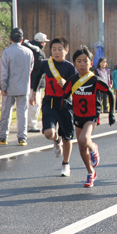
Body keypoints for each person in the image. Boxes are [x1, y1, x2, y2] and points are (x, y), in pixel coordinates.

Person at [62, 46, 116, 187]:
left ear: (91, 64)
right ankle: (91, 173)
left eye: (85, 61)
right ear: (74, 64)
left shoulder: (95, 80)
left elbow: (110, 92)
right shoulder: (72, 80)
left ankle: (94, 148)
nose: (82, 64)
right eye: (79, 61)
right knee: (81, 146)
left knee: (84, 139)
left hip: (92, 115)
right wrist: (66, 105)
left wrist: (112, 113)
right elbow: (64, 95)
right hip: (78, 115)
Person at [30, 37, 77, 177]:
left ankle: (66, 164)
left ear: (66, 51)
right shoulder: (46, 64)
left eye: (60, 49)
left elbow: (75, 87)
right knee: (48, 133)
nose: (57, 52)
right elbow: (37, 76)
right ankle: (56, 141)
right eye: (54, 49)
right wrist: (34, 93)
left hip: (65, 103)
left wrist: (67, 85)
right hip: (49, 102)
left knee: (67, 136)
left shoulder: (70, 67)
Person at [0, 28, 34, 146]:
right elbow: (30, 69)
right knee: (22, 112)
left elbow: (3, 71)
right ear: (22, 39)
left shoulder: (7, 52)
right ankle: (22, 138)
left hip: (9, 87)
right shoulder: (29, 52)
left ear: (10, 38)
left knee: (6, 111)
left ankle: (2, 136)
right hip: (24, 86)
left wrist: (3, 86)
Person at [23, 32, 49, 133]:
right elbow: (38, 71)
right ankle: (31, 125)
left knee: (25, 105)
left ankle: (25, 124)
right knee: (34, 104)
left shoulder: (26, 48)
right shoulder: (38, 53)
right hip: (34, 84)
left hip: (25, 82)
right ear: (42, 43)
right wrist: (35, 87)